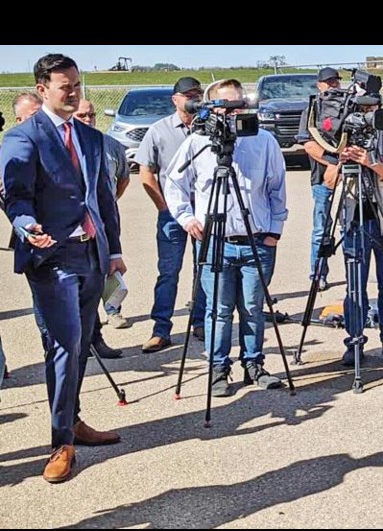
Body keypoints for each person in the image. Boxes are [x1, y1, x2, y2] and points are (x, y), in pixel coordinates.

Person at [1, 54, 124, 484]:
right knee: (65, 343)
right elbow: (14, 196)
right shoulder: (23, 138)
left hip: (92, 256)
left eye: (76, 84)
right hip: (52, 257)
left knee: (81, 343)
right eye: (64, 86)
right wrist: (24, 225)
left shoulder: (89, 138)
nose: (73, 92)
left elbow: (104, 199)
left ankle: (73, 421)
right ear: (42, 89)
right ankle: (61, 443)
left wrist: (113, 252)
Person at [165, 79, 288, 397]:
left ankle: (254, 365)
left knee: (252, 307)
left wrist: (274, 230)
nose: (233, 112)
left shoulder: (264, 141)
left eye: (239, 105)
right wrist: (187, 218)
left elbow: (277, 189)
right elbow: (174, 182)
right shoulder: (198, 142)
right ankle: (218, 369)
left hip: (257, 241)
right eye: (225, 106)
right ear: (211, 108)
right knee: (217, 311)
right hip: (215, 242)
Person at [324, 95, 383, 367]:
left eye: (370, 109)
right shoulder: (342, 136)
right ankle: (354, 342)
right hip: (354, 219)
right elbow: (329, 182)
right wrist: (341, 159)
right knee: (355, 287)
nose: (365, 114)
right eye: (360, 109)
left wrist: (371, 162)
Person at [135, 76, 207, 353]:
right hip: (172, 215)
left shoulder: (208, 129)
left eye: (197, 94)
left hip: (203, 213)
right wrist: (166, 208)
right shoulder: (159, 130)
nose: (193, 99)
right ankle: (161, 329)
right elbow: (146, 175)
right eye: (187, 94)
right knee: (168, 272)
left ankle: (201, 322)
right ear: (175, 99)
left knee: (204, 269)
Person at [75, 98, 132, 332]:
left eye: (91, 115)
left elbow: (124, 178)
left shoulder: (110, 145)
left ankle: (113, 310)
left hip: (105, 217)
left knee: (111, 265)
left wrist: (109, 203)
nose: (89, 120)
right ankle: (90, 328)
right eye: (82, 116)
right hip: (79, 222)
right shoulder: (66, 146)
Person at [297, 66, 342, 292]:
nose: (333, 85)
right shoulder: (312, 108)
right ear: (319, 85)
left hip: (350, 178)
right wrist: (333, 164)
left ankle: (354, 272)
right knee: (321, 229)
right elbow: (308, 144)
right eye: (329, 82)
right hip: (322, 177)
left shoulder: (349, 107)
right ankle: (317, 274)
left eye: (336, 81)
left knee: (350, 228)